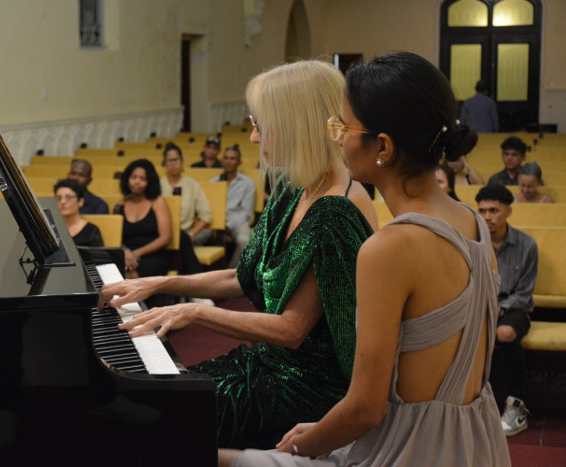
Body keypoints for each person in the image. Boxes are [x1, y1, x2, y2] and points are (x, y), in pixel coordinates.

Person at [225, 52, 510, 466]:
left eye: (342, 127)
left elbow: (365, 410)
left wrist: (301, 446)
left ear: (383, 147)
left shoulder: (389, 247)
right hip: (474, 443)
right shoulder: (473, 222)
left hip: (409, 450)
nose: (336, 139)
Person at [101, 60, 377, 450]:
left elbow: (292, 330)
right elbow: (241, 276)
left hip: (305, 386)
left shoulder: (335, 209)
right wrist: (160, 282)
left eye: (260, 124)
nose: (252, 136)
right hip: (271, 364)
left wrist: (195, 312)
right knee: (158, 398)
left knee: (164, 419)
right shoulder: (295, 188)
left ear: (294, 126)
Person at [475, 184, 538, 437]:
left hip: (514, 307)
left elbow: (524, 293)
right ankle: (467, 403)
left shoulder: (527, 245)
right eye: (482, 211)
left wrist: (499, 308)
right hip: (481, 304)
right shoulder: (473, 243)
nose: (487, 217)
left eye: (494, 210)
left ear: (508, 211)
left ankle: (516, 405)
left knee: (505, 333)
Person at [159, 142, 212, 276]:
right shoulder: (158, 185)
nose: (173, 164)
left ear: (182, 161)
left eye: (176, 160)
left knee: (182, 238)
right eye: (169, 160)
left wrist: (192, 234)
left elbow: (206, 215)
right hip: (161, 235)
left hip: (185, 234)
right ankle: (197, 282)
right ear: (164, 163)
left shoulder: (192, 185)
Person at [113, 159, 171, 279]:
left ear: (150, 182)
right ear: (127, 179)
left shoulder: (157, 201)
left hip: (153, 255)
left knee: (132, 274)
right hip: (126, 255)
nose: (137, 182)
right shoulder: (120, 205)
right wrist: (125, 252)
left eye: (143, 179)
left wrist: (136, 254)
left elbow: (165, 238)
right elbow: (114, 236)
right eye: (133, 177)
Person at [208, 144, 256, 268]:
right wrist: (219, 223)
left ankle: (230, 272)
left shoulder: (248, 183)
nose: (228, 162)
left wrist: (227, 223)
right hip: (215, 222)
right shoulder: (213, 182)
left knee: (245, 241)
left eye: (232, 158)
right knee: (193, 238)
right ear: (222, 160)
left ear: (239, 162)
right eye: (226, 158)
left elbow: (247, 212)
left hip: (238, 222)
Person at [53, 178, 103, 247]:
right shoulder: (51, 228)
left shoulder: (91, 230)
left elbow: (99, 253)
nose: (62, 202)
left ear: (80, 202)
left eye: (68, 197)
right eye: (59, 198)